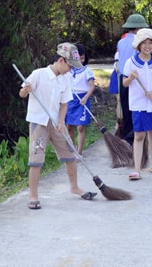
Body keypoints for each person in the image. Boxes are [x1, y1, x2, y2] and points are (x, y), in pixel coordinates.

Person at [18, 42, 97, 210]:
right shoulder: (38, 74)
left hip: (56, 123)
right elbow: (22, 93)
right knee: (36, 159)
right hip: (39, 123)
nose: (71, 69)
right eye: (70, 65)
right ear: (61, 60)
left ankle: (74, 187)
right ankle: (33, 196)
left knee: (70, 153)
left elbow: (64, 104)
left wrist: (61, 122)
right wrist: (27, 89)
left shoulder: (65, 80)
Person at [122, 28, 152, 180]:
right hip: (138, 104)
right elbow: (124, 83)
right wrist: (131, 78)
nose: (147, 46)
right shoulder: (131, 62)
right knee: (139, 135)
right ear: (138, 45)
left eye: (150, 43)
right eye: (144, 43)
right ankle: (136, 169)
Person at [117, 13, 149, 145]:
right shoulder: (138, 43)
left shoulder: (121, 42)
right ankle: (134, 139)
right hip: (135, 80)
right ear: (138, 29)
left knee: (126, 111)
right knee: (136, 111)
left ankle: (126, 138)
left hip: (123, 79)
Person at [65, 44, 95, 155]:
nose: (80, 61)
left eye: (82, 58)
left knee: (81, 127)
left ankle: (79, 152)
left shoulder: (87, 70)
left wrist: (86, 98)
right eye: (77, 59)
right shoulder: (68, 70)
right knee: (69, 126)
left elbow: (92, 86)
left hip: (82, 99)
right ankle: (72, 149)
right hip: (69, 99)